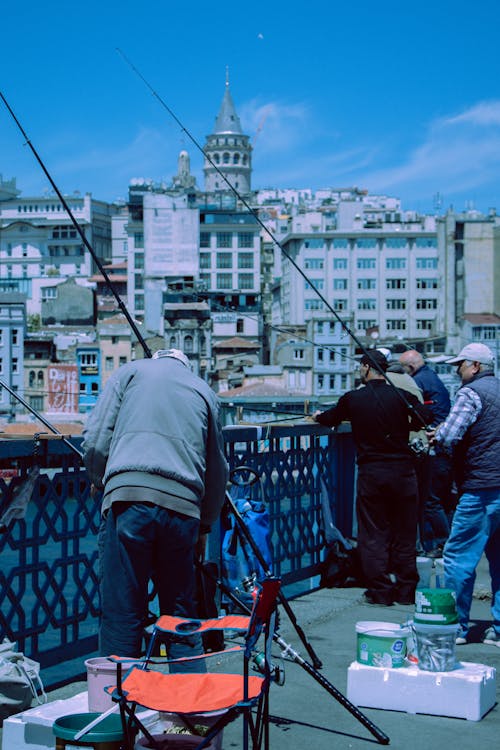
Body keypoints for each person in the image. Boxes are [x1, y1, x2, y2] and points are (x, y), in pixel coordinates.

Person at [82, 348, 228, 660]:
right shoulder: (204, 391)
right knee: (179, 612)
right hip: (183, 508)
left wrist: (98, 477)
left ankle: (119, 699)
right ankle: (186, 700)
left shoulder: (130, 372)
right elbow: (218, 471)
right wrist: (204, 526)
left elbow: (96, 438)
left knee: (122, 611)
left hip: (129, 498)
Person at [313, 350, 429, 606]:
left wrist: (316, 417)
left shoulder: (354, 399)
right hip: (403, 473)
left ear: (366, 368)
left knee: (373, 533)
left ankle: (380, 590)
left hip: (372, 474)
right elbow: (425, 417)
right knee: (405, 533)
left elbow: (329, 418)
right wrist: (402, 426)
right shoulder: (401, 396)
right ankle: (406, 590)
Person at [430, 342, 500, 646]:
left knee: (458, 557)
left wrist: (437, 433)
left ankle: (454, 626)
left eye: (460, 365)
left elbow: (449, 434)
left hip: (481, 487)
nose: (457, 372)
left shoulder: (471, 393)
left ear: (474, 366)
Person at [399, 349, 452, 557]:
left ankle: (441, 544)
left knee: (430, 500)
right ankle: (436, 544)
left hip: (435, 449)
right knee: (440, 500)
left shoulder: (419, 382)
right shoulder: (431, 376)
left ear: (410, 368)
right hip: (445, 449)